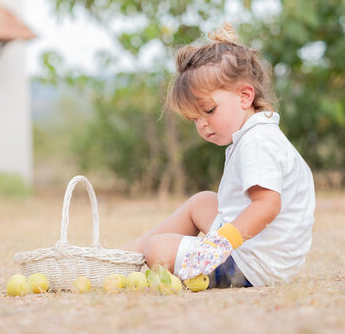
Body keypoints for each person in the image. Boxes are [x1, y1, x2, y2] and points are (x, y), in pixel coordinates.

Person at [122, 22, 316, 288]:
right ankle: (126, 254)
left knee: (158, 250)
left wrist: (219, 244)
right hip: (255, 249)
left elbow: (267, 205)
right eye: (194, 118)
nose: (202, 124)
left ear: (245, 96)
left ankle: (134, 257)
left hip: (255, 265)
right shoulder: (254, 133)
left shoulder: (256, 142)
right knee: (202, 202)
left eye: (209, 110)